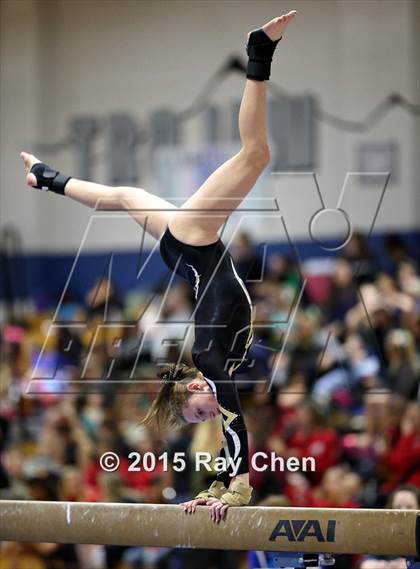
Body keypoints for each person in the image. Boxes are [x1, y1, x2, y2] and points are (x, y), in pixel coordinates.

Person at [20, 9, 297, 523]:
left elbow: (235, 426)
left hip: (194, 242)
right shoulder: (219, 363)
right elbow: (229, 427)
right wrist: (216, 486)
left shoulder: (212, 363)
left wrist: (237, 486)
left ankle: (259, 50)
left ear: (195, 386)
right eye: (205, 416)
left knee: (256, 153)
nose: (210, 412)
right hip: (185, 250)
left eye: (200, 410)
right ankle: (45, 176)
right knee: (126, 196)